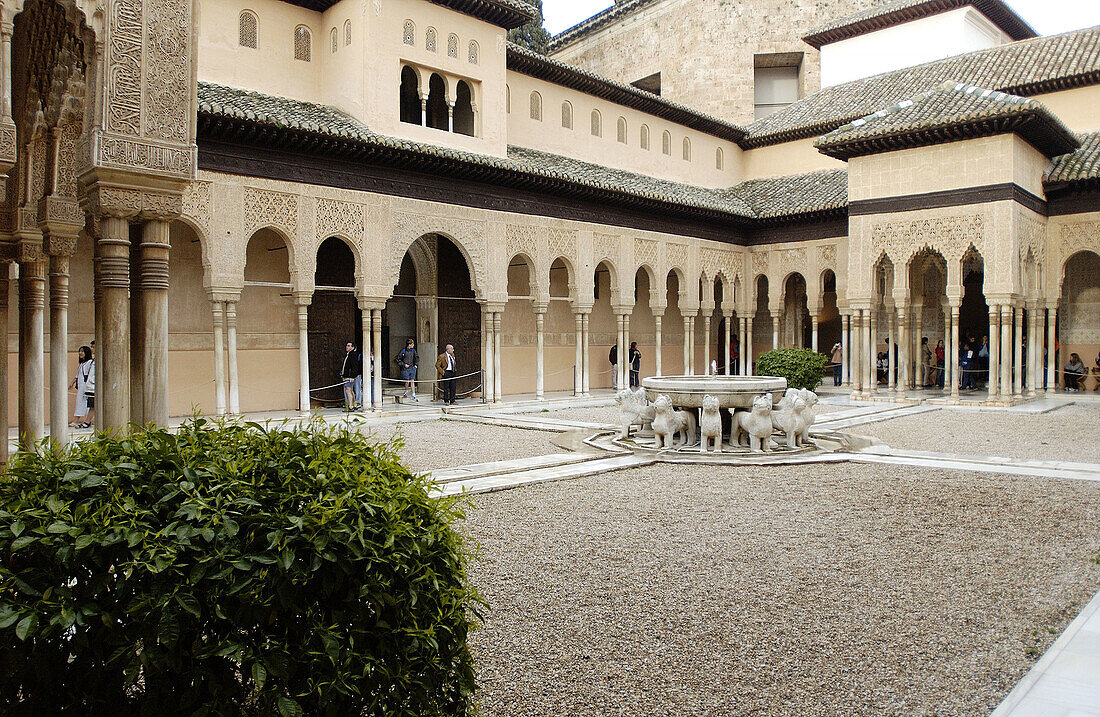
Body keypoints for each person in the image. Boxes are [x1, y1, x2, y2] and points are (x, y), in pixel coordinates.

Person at [70, 345, 94, 429]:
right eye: (79, 351)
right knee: (81, 402)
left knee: (83, 403)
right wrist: (72, 382)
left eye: (82, 351)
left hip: (86, 386)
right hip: (81, 386)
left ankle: (78, 420)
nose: (80, 353)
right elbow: (78, 375)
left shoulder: (89, 363)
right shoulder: (82, 364)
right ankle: (81, 420)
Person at [340, 342, 362, 410]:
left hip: (350, 376)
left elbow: (354, 366)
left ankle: (350, 406)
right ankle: (353, 404)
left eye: (349, 346)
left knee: (348, 390)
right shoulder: (349, 354)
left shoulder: (353, 355)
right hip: (348, 376)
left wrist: (352, 376)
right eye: (347, 345)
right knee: (350, 390)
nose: (347, 347)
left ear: (353, 347)